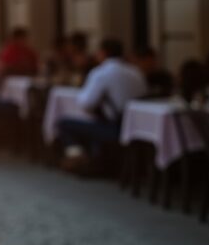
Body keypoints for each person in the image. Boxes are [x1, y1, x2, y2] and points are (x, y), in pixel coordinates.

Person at [57, 37, 147, 174]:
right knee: (95, 122)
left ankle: (78, 159)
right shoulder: (135, 72)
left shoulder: (101, 72)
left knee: (64, 123)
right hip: (138, 127)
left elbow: (86, 104)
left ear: (103, 53)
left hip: (115, 127)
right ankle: (96, 160)